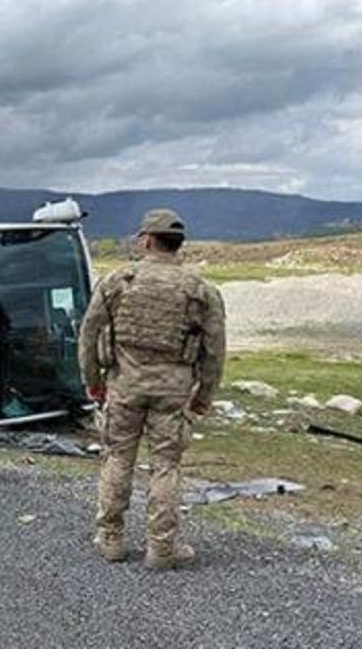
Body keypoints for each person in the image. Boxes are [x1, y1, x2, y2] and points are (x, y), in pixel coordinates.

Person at [79, 209, 226, 570]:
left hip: (124, 387)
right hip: (173, 393)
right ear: (179, 245)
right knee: (166, 466)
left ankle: (111, 538)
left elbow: (88, 333)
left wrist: (94, 382)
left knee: (117, 458)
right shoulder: (201, 290)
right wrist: (204, 395)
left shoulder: (118, 281)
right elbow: (215, 349)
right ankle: (162, 548)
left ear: (146, 241)